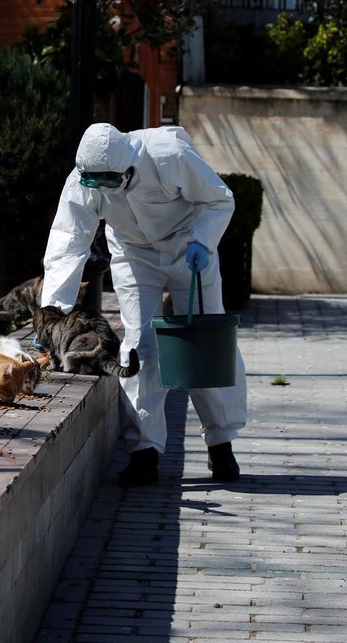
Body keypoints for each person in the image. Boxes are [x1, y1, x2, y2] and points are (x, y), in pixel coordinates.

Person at [41, 122, 249, 486]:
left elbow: (219, 198)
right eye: (96, 183)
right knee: (139, 346)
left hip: (189, 249)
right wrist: (53, 308)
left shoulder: (168, 154)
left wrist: (202, 239)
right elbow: (69, 238)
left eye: (111, 181)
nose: (103, 189)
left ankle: (221, 445)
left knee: (206, 343)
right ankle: (145, 452)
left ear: (129, 167)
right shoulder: (84, 177)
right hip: (134, 255)